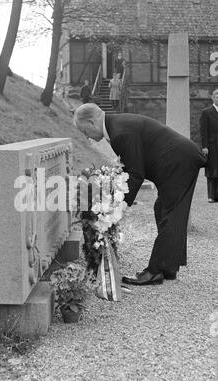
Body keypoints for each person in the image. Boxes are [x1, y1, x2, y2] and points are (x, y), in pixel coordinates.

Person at [73, 103, 206, 286]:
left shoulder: (119, 132)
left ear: (91, 121)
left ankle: (155, 271)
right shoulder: (115, 125)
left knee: (170, 213)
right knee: (164, 210)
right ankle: (168, 267)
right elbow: (132, 167)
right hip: (178, 160)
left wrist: (118, 208)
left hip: (178, 162)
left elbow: (136, 173)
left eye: (84, 131)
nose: (86, 136)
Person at [199, 89, 218, 203]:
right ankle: (211, 196)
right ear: (212, 97)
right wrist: (204, 146)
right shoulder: (206, 112)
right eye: (216, 95)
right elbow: (203, 130)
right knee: (212, 171)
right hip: (212, 146)